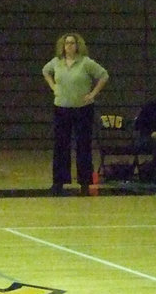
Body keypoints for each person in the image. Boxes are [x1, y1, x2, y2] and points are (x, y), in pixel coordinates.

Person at [42, 33, 109, 195]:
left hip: (83, 109)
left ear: (78, 45)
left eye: (72, 43)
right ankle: (58, 182)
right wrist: (53, 87)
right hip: (62, 108)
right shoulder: (57, 62)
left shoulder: (86, 63)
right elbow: (45, 71)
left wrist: (92, 94)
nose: (69, 46)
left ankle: (85, 182)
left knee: (83, 145)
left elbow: (104, 75)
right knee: (61, 146)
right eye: (66, 43)